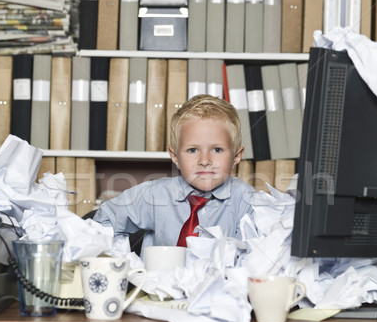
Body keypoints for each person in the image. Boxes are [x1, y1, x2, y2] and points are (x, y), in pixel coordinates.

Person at [93, 94, 257, 250]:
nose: (205, 161)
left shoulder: (246, 201)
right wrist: (123, 264)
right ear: (175, 157)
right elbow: (105, 219)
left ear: (236, 156)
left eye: (217, 149)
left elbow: (254, 254)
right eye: (192, 150)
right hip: (156, 279)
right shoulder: (154, 195)